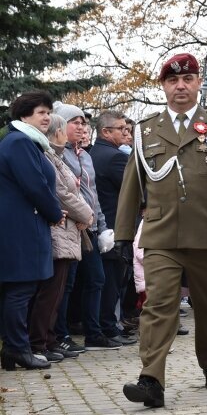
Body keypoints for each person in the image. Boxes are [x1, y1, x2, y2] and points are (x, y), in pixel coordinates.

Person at [114, 53, 207, 407]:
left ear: (197, 83)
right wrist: (123, 235)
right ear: (163, 86)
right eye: (173, 81)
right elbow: (132, 186)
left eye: (188, 79)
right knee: (159, 304)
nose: (180, 86)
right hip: (161, 235)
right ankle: (151, 379)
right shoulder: (146, 130)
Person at [0, 91, 63, 371]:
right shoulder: (19, 142)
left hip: (23, 224)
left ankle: (14, 349)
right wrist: (54, 212)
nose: (47, 117)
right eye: (41, 112)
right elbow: (35, 185)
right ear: (24, 115)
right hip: (19, 227)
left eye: (49, 112)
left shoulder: (27, 142)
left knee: (19, 289)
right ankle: (16, 348)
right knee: (20, 289)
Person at [28, 114, 93, 363]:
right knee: (50, 291)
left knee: (58, 290)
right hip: (58, 230)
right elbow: (61, 193)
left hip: (68, 230)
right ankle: (38, 342)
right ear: (57, 132)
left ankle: (50, 338)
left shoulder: (56, 156)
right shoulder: (47, 156)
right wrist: (86, 214)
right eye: (67, 127)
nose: (73, 130)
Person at [53, 101, 116, 352]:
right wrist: (83, 215)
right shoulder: (57, 153)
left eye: (83, 123)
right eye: (75, 122)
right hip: (68, 225)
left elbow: (92, 194)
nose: (81, 127)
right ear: (61, 124)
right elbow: (64, 193)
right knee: (66, 283)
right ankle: (61, 334)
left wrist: (100, 226)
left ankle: (94, 333)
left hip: (88, 226)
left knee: (96, 279)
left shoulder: (86, 156)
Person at [90, 111, 137, 346]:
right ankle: (108, 326)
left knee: (105, 281)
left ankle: (106, 325)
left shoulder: (93, 153)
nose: (126, 133)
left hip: (101, 225)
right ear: (106, 131)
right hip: (115, 227)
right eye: (122, 129)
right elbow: (135, 192)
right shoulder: (115, 158)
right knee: (111, 282)